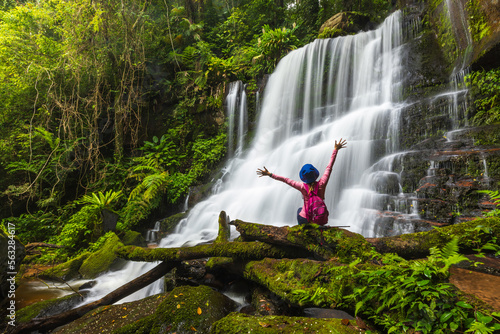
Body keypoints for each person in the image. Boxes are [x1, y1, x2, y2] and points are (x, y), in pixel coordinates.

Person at [256, 138, 347, 225]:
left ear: (303, 177)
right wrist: (335, 150)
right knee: (319, 210)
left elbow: (286, 180)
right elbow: (329, 167)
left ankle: (303, 229)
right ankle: (318, 224)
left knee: (300, 210)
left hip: (306, 219)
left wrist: (270, 174)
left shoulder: (302, 186)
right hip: (320, 218)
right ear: (315, 174)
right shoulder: (322, 183)